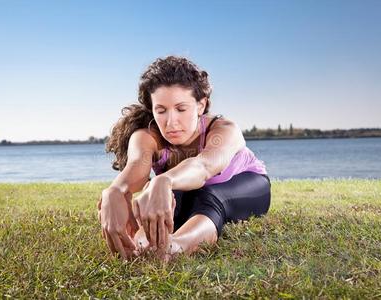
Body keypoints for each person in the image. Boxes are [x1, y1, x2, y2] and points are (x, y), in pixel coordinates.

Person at [98, 55, 271, 261]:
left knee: (208, 195)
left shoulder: (224, 129)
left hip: (246, 186)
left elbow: (202, 167)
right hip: (189, 191)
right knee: (159, 195)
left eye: (181, 109)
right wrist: (116, 190)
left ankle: (174, 248)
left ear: (200, 104)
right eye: (161, 110)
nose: (171, 122)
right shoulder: (147, 137)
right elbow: (137, 166)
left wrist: (164, 180)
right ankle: (143, 246)